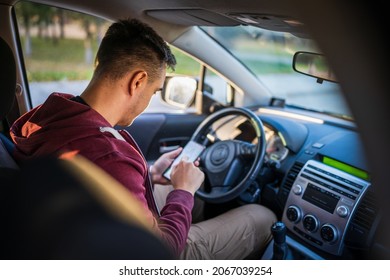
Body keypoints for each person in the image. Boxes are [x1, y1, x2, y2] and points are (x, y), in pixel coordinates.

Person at [10, 18, 276, 259]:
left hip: (80, 219)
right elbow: (163, 250)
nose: (150, 100)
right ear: (138, 81)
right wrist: (183, 192)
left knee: (197, 196)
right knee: (262, 217)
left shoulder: (49, 114)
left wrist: (150, 172)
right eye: (154, 90)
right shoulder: (109, 154)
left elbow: (98, 174)